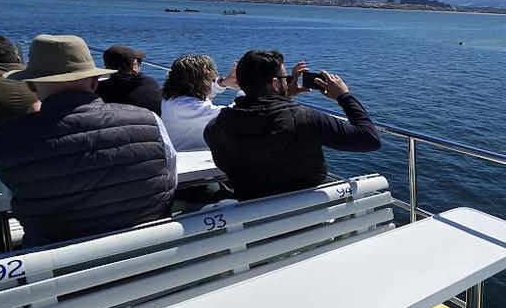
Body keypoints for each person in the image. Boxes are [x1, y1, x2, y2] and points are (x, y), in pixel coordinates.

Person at [0, 34, 178, 248]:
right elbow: (170, 177)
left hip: (58, 272)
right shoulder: (151, 122)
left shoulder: (2, 139)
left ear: (30, 86)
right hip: (153, 259)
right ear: (95, 82)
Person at [204, 49, 381, 200]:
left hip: (254, 223)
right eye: (285, 77)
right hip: (311, 218)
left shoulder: (216, 128)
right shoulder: (305, 119)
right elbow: (369, 139)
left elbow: (263, 117)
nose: (287, 80)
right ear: (275, 83)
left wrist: (283, 96)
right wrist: (344, 96)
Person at [160, 54, 239, 151]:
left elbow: (209, 92)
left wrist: (222, 83)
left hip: (190, 153)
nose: (213, 81)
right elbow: (232, 114)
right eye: (211, 79)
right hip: (190, 159)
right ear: (200, 82)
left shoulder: (173, 98)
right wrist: (250, 87)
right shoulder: (185, 107)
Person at [95, 44, 162, 114]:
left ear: (107, 67)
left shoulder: (99, 90)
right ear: (134, 67)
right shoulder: (150, 83)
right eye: (138, 62)